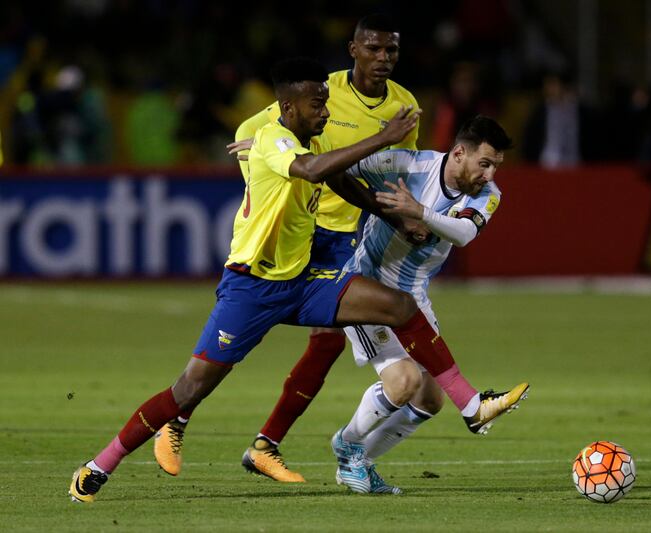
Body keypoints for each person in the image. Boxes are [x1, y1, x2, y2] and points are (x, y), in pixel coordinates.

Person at [69, 57, 527, 504]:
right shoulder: (275, 140)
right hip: (251, 289)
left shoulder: (313, 147)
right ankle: (100, 464)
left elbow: (341, 181)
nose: (325, 112)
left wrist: (395, 215)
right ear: (289, 109)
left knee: (399, 307)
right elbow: (310, 171)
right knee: (188, 388)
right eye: (316, 105)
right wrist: (382, 138)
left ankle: (469, 404)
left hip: (305, 282)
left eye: (326, 103)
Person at [153, 14, 422, 482]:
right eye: (373, 49)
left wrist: (396, 213)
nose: (383, 59)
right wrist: (264, 171)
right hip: (303, 230)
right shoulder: (321, 90)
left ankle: (265, 445)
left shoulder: (404, 106)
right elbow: (255, 130)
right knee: (237, 339)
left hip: (343, 239)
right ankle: (177, 420)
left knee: (329, 342)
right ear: (353, 49)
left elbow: (393, 170)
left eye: (391, 51)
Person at [332, 115, 525, 494]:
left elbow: (465, 233)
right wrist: (277, 153)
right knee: (403, 382)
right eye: (484, 164)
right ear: (458, 153)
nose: (489, 174)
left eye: (496, 166)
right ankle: (347, 444)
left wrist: (419, 212)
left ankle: (359, 463)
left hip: (413, 296)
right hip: (366, 289)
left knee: (430, 398)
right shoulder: (407, 163)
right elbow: (339, 167)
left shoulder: (488, 194)